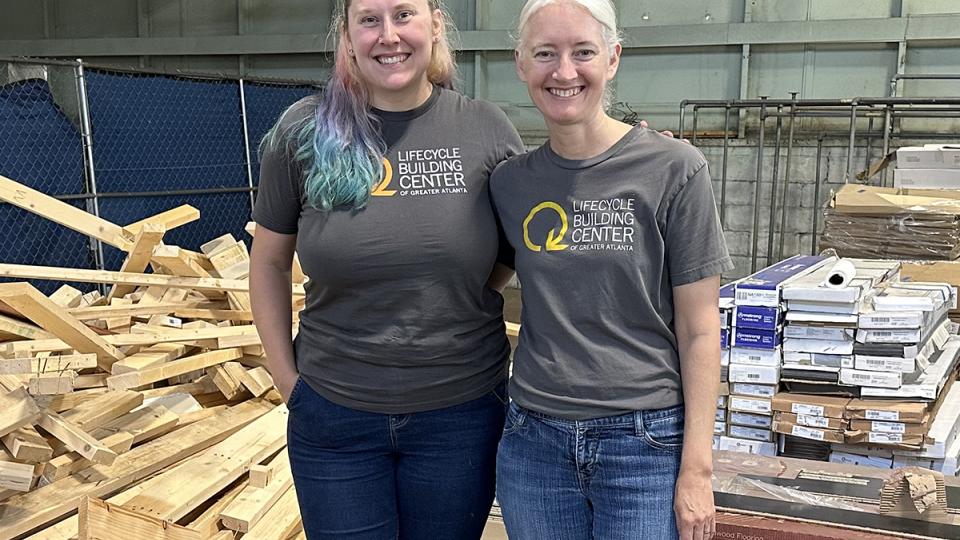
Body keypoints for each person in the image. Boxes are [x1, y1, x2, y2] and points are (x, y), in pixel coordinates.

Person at [248, 0, 523, 537]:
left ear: (435, 25)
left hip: (460, 414)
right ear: (348, 35)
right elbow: (269, 263)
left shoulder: (484, 129)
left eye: (403, 15)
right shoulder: (306, 131)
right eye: (369, 19)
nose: (388, 35)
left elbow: (514, 247)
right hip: (334, 416)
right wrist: (287, 382)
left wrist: (455, 289)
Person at [490, 1, 732, 539]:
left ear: (613, 58)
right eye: (545, 54)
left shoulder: (674, 169)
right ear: (521, 64)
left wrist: (697, 470)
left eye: (583, 52)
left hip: (643, 444)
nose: (564, 72)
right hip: (534, 442)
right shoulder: (509, 183)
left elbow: (700, 330)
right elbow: (479, 282)